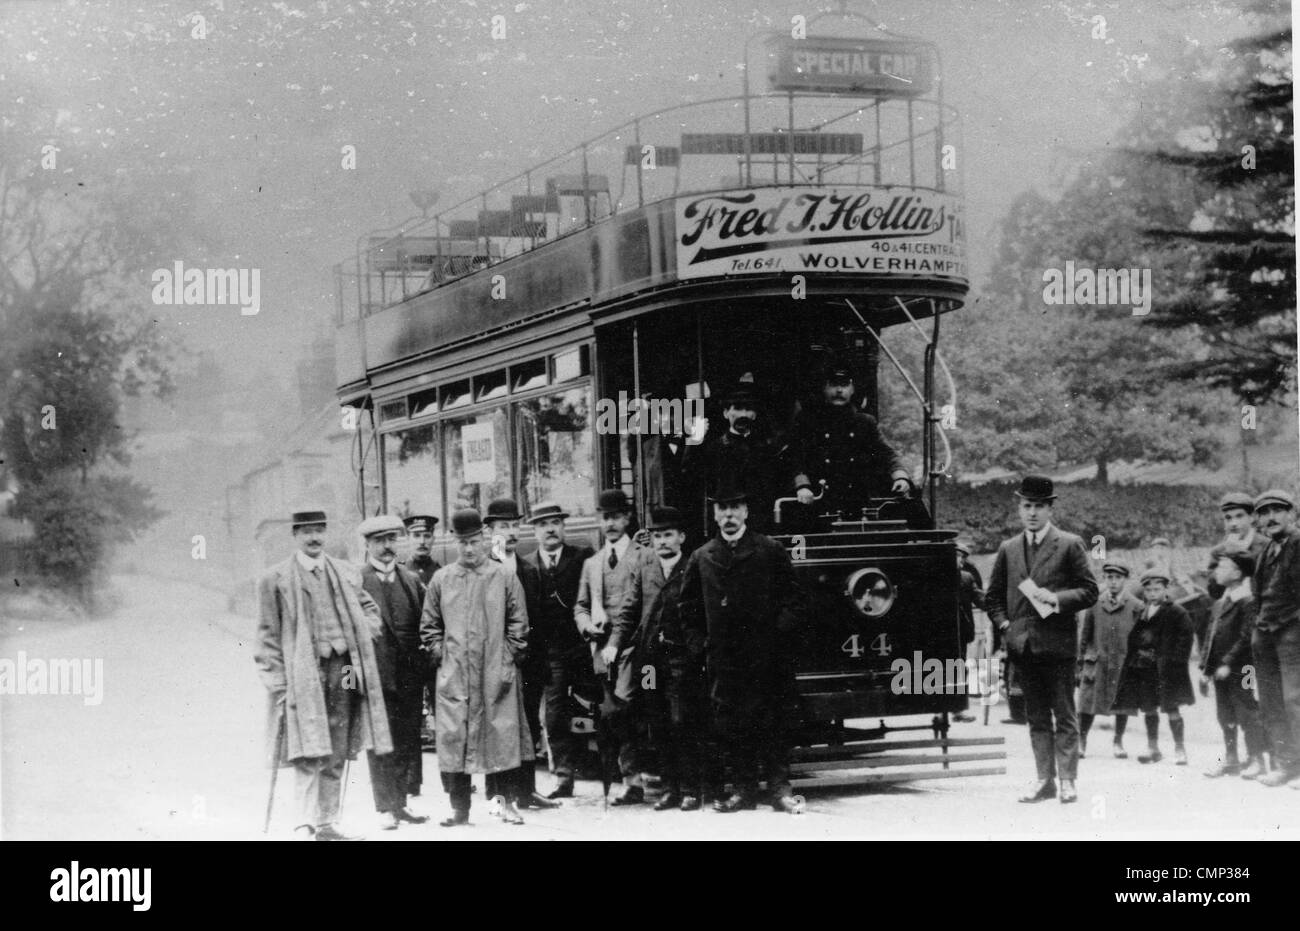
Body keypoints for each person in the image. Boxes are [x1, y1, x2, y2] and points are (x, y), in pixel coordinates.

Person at [255, 509, 392, 841]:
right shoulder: (275, 579)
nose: (314, 538)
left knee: (338, 746)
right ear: (296, 535)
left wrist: (363, 631)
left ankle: (327, 822)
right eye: (307, 532)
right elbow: (267, 637)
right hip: (307, 674)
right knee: (308, 748)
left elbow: (370, 609)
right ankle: (305, 824)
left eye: (319, 530)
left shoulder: (345, 572)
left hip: (345, 669)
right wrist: (278, 683)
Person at [678, 478, 806, 813]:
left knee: (774, 722)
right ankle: (744, 790)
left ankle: (780, 790)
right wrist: (701, 645)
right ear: (715, 514)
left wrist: (776, 636)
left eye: (735, 507)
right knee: (732, 726)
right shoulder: (702, 557)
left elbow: (794, 600)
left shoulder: (769, 550)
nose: (729, 514)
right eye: (723, 508)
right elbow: (686, 609)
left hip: (766, 657)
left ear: (746, 511)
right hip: (724, 659)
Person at [985, 476, 1098, 805]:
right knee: (1034, 717)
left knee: (1064, 714)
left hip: (1058, 644)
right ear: (1019, 509)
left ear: (1050, 508)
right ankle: (1044, 779)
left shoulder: (1069, 544)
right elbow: (993, 598)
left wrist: (1057, 599)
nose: (1032, 513)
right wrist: (1006, 626)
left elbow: (1090, 590)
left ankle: (1067, 780)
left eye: (1039, 506)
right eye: (1026, 506)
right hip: (1023, 647)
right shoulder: (1008, 549)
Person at [420, 507, 533, 826]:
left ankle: (503, 805)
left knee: (501, 739)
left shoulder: (503, 576)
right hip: (456, 675)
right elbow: (429, 625)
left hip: (497, 672)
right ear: (456, 542)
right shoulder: (442, 579)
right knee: (456, 740)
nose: (468, 548)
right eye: (462, 542)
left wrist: (508, 656)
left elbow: (519, 622)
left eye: (473, 541)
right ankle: (460, 810)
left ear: (484, 539)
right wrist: (442, 654)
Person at [612, 505, 714, 810]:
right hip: (649, 661)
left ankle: (690, 789)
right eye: (657, 536)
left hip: (681, 659)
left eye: (668, 534)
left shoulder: (693, 566)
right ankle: (669, 789)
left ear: (681, 537)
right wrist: (615, 644)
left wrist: (699, 649)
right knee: (657, 722)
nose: (662, 541)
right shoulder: (646, 568)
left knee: (682, 720)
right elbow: (630, 609)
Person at [516, 500, 596, 799]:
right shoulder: (527, 565)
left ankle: (611, 770)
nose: (549, 529)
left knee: (594, 707)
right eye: (542, 524)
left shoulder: (583, 557)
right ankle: (565, 777)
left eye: (555, 522)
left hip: (583, 647)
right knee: (555, 714)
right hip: (550, 654)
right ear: (534, 531)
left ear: (563, 526)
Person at [483, 497, 558, 811]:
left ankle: (526, 791)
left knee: (527, 725)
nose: (511, 532)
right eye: (503, 526)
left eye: (514, 525)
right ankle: (498, 794)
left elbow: (540, 621)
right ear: (490, 531)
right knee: (498, 726)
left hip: (527, 664)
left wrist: (540, 664)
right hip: (495, 663)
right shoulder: (484, 569)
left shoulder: (529, 569)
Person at [358, 514, 430, 830]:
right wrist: (350, 684)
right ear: (368, 545)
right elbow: (347, 641)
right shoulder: (355, 581)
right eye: (379, 541)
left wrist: (426, 673)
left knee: (407, 740)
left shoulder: (411, 581)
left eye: (391, 539)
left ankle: (402, 803)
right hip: (374, 680)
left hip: (409, 678)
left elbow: (426, 630)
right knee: (380, 743)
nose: (387, 547)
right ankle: (385, 807)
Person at [578, 488, 649, 804]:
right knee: (611, 714)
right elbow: (580, 606)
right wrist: (587, 625)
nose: (611, 523)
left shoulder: (643, 555)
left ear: (627, 518)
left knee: (623, 708)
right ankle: (629, 779)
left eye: (617, 517)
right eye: (605, 517)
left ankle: (637, 780)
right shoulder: (592, 563)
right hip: (601, 650)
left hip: (637, 647)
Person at [786, 364, 910, 520]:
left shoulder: (865, 423)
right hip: (817, 502)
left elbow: (886, 453)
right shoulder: (808, 422)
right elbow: (796, 457)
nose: (839, 390)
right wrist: (802, 486)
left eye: (844, 385)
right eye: (833, 385)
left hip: (857, 504)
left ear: (852, 390)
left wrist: (900, 476)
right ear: (824, 388)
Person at [1112, 567, 1195, 765]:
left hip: (1168, 670)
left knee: (1172, 707)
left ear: (1166, 589)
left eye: (1157, 589)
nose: (1152, 594)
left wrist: (1175, 663)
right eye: (1148, 590)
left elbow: (1186, 640)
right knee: (1149, 707)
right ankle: (1153, 747)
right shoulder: (1142, 610)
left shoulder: (1177, 612)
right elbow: (1136, 636)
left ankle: (1179, 748)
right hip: (1144, 668)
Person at [680, 378, 784, 533]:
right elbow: (689, 474)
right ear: (726, 413)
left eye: (748, 409)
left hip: (760, 524)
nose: (743, 414)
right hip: (726, 524)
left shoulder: (766, 448)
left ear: (755, 414)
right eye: (738, 408)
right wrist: (696, 439)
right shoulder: (714, 448)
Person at [1200, 544, 1266, 779]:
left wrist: (1228, 661)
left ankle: (1257, 759)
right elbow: (1211, 636)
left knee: (1247, 710)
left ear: (1238, 573)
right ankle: (1231, 759)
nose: (1217, 570)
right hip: (1220, 670)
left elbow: (1247, 636)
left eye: (1223, 565)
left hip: (1243, 667)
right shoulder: (1220, 602)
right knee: (1224, 713)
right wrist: (1206, 668)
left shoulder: (1247, 601)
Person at [1249, 488, 1300, 788]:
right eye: (1264, 513)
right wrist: (1258, 628)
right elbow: (1258, 594)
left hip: (1294, 632)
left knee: (1295, 698)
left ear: (1291, 513)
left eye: (1277, 510)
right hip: (1266, 633)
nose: (1271, 517)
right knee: (1271, 701)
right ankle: (1287, 764)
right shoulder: (1266, 552)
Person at [1077, 561, 1141, 759]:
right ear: (1104, 579)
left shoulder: (1136, 606)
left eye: (1118, 578)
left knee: (1122, 703)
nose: (1113, 583)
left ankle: (1118, 741)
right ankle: (1081, 740)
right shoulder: (1094, 603)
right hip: (1097, 661)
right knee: (1087, 703)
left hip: (1123, 662)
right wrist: (1080, 663)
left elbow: (1141, 637)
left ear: (1125, 580)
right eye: (1109, 578)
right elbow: (1085, 634)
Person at [1207, 492, 1268, 599]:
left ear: (1252, 517)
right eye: (1228, 518)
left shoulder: (1267, 546)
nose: (1233, 523)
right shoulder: (1218, 551)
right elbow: (1214, 593)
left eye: (1239, 516)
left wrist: (1237, 552)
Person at [953, 539, 982, 723]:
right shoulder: (935, 578)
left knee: (959, 668)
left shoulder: (966, 578)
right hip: (938, 634)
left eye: (963, 558)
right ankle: (944, 707)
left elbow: (980, 598)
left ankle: (957, 709)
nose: (961, 561)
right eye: (958, 556)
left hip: (960, 632)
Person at [402, 514, 442, 585]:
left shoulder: (441, 573)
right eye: (416, 536)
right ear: (408, 539)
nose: (422, 541)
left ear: (433, 539)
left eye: (427, 536)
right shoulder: (400, 574)